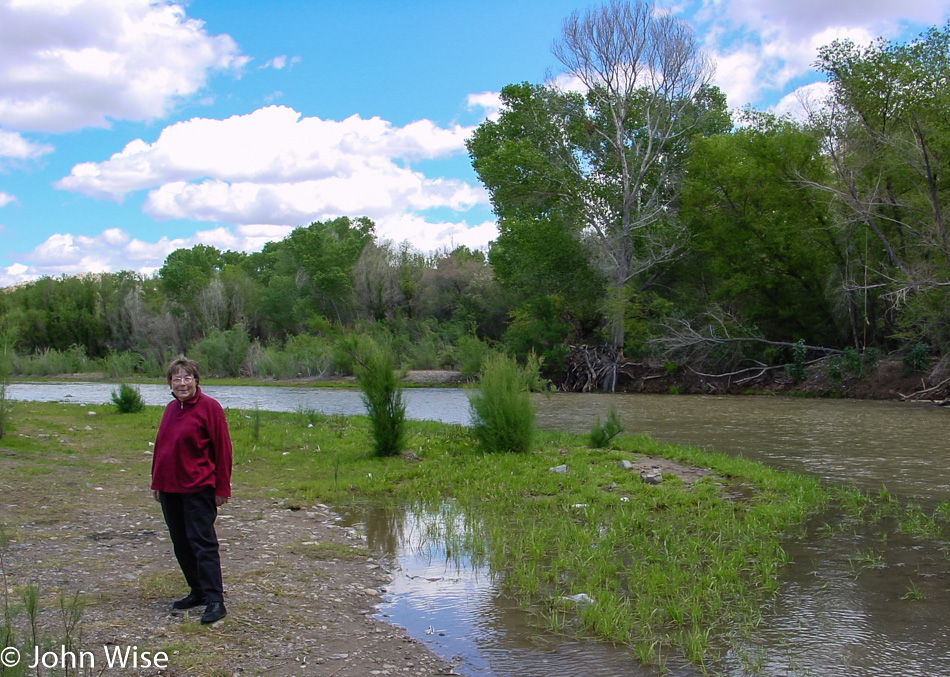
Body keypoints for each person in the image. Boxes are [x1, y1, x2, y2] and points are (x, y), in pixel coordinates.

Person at [151, 357, 232, 624]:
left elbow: (223, 450)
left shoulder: (210, 408)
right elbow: (161, 447)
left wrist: (222, 487)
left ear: (196, 381)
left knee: (203, 543)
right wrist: (157, 482)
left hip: (198, 487)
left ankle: (215, 600)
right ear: (170, 384)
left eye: (187, 378)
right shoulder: (171, 409)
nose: (182, 383)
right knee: (181, 542)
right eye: (177, 379)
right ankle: (197, 591)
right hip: (170, 488)